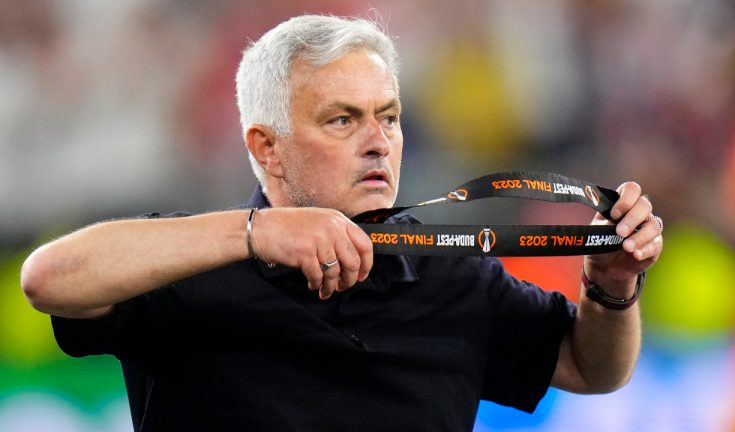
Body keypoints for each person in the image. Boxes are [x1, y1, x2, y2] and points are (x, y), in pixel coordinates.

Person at [20, 14, 663, 431]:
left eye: (389, 117)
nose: (379, 142)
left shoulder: (453, 276)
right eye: (342, 120)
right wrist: (255, 234)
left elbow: (591, 368)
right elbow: (47, 279)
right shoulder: (190, 267)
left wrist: (611, 287)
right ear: (268, 147)